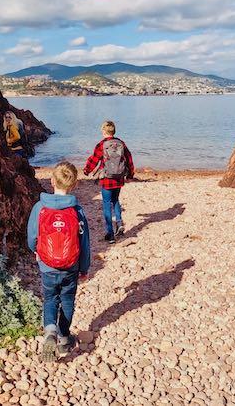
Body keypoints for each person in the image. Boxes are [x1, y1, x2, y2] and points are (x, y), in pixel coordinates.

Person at [26, 161, 91, 362]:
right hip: (70, 266)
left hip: (47, 265)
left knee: (50, 298)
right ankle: (64, 338)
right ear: (75, 185)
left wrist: (36, 251)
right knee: (68, 300)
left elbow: (31, 236)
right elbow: (85, 243)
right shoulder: (77, 211)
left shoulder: (39, 207)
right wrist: (84, 267)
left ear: (52, 181)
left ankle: (50, 332)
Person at [83, 120, 135, 243]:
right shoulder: (121, 143)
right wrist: (130, 175)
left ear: (103, 131)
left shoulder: (101, 145)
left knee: (106, 204)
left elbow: (94, 159)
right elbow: (129, 159)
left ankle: (110, 234)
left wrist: (86, 170)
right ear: (114, 131)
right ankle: (119, 222)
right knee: (115, 200)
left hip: (107, 179)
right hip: (119, 178)